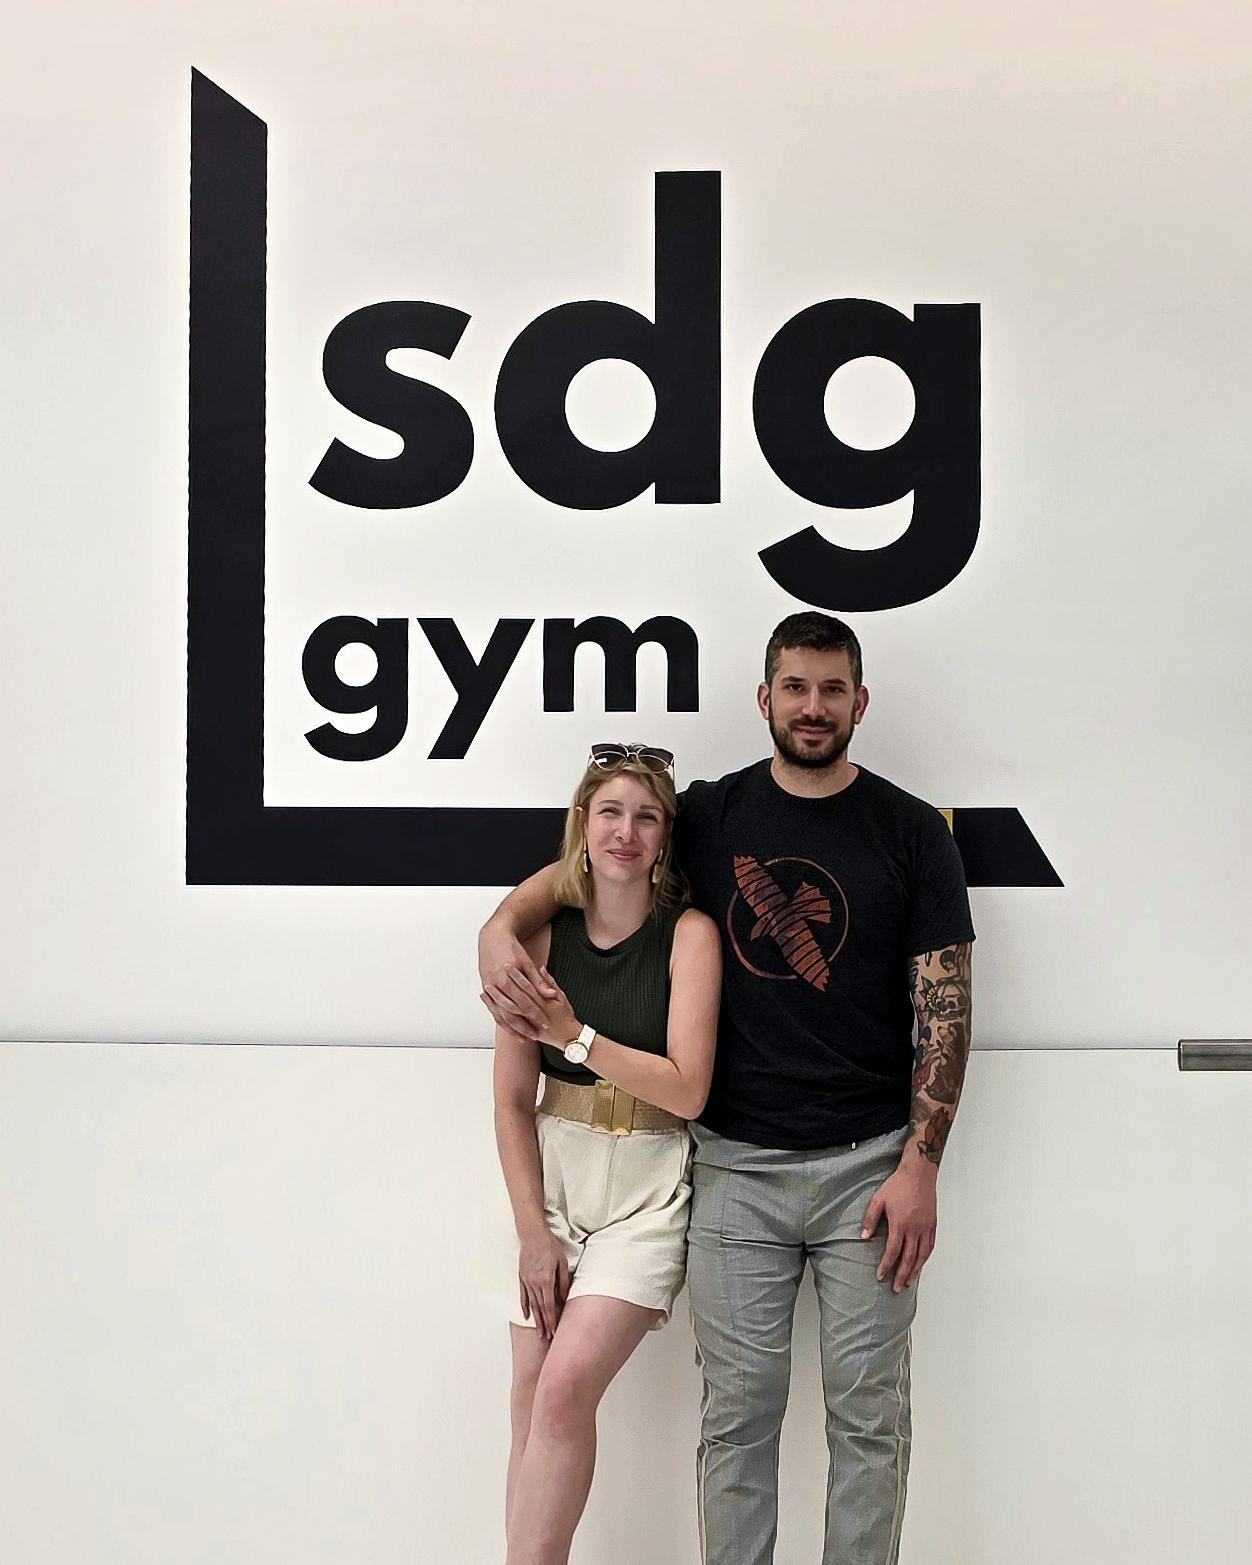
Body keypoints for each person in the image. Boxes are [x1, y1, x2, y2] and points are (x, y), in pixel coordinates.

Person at [480, 612, 975, 1565]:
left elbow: (946, 1007)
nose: (813, 706)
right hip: (736, 1171)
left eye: (832, 689)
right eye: (796, 687)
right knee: (737, 1419)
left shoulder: (914, 832)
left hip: (871, 1170)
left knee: (869, 1420)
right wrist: (497, 930)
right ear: (765, 698)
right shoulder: (709, 816)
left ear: (860, 701)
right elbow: (595, 860)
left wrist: (922, 1163)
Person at [488, 742, 721, 1565]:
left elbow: (687, 1089)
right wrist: (532, 1232)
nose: (627, 831)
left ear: (664, 838)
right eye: (611, 812)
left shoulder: (689, 935)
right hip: (553, 1177)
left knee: (564, 1387)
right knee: (530, 1394)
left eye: (647, 817)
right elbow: (511, 1100)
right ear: (583, 824)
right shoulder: (540, 939)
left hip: (647, 1188)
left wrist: (574, 1034)